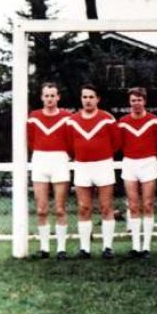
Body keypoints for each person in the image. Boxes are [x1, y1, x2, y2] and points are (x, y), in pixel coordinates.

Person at [66, 84, 120, 258]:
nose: (88, 100)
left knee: (106, 207)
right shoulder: (72, 120)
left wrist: (102, 154)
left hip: (103, 165)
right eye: (85, 97)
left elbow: (116, 142)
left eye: (91, 97)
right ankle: (85, 249)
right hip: (82, 166)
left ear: (98, 99)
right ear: (81, 99)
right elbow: (69, 145)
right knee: (83, 207)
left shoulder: (107, 118)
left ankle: (107, 247)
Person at [27, 82, 72, 259]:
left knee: (60, 209)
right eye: (46, 95)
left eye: (53, 95)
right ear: (42, 97)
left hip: (60, 160)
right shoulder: (34, 117)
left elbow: (71, 141)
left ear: (58, 97)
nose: (50, 99)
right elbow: (30, 141)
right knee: (41, 209)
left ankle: (61, 249)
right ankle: (44, 248)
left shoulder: (67, 117)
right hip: (40, 160)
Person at [118, 87, 157, 258]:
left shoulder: (154, 121)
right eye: (133, 100)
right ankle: (136, 246)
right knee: (133, 205)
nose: (136, 103)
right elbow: (118, 144)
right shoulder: (123, 122)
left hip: (148, 163)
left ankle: (146, 247)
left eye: (139, 100)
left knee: (148, 204)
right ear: (129, 102)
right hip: (129, 163)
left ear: (145, 101)